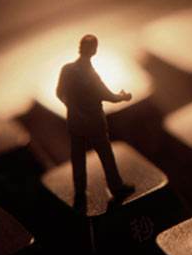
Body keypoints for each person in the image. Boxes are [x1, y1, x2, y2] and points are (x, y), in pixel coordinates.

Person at [56, 34, 135, 201]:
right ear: (93, 50)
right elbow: (108, 96)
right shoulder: (91, 74)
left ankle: (79, 191)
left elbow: (59, 93)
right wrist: (123, 96)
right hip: (94, 123)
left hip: (75, 122)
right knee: (106, 156)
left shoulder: (67, 69)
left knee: (78, 158)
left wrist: (73, 108)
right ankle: (116, 186)